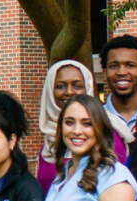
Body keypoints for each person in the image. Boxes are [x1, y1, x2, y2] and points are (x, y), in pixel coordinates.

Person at [37, 59, 131, 193]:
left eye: (77, 86)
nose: (69, 92)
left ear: (88, 88)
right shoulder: (48, 143)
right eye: (60, 86)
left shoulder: (108, 134)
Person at [100, 35, 137, 131]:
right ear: (105, 73)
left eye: (130, 65)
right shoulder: (96, 118)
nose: (121, 72)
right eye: (114, 66)